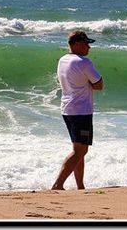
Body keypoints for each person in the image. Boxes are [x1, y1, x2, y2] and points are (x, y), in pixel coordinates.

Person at [51, 31, 104, 190]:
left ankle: (80, 186)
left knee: (78, 149)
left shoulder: (63, 60)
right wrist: (89, 83)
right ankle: (58, 184)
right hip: (81, 111)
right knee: (80, 150)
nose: (88, 47)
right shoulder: (83, 62)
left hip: (67, 109)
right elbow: (99, 85)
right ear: (76, 44)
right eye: (86, 43)